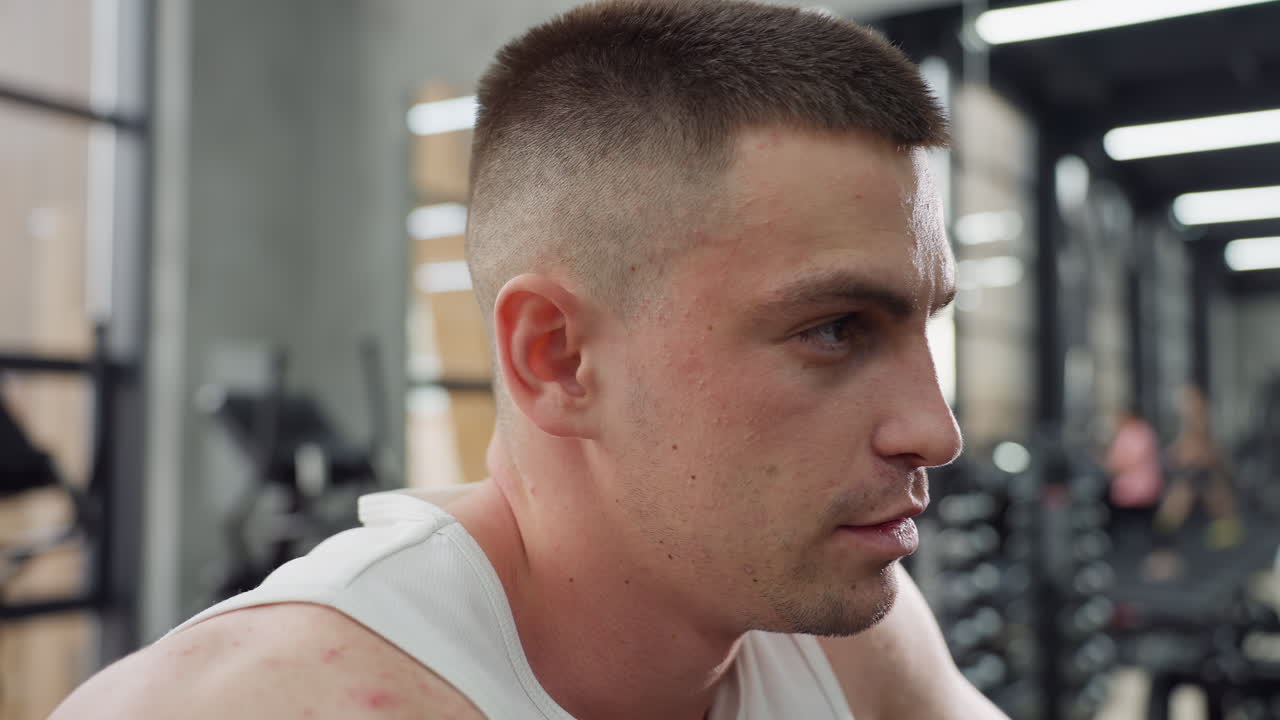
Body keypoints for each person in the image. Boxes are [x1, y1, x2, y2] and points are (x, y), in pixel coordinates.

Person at [52, 2, 1008, 718]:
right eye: (836, 328)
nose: (937, 430)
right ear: (558, 357)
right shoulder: (265, 702)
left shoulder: (847, 648)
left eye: (924, 324)